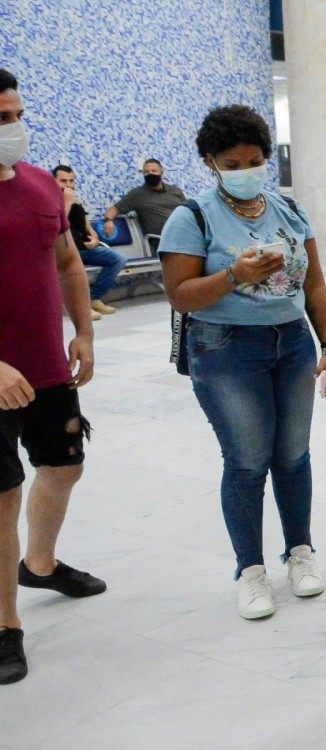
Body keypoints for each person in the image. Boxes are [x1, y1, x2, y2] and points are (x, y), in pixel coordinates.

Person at [158, 105, 326, 621]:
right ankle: (251, 570)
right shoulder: (191, 217)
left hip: (292, 343)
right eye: (233, 164)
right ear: (211, 163)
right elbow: (180, 294)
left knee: (294, 455)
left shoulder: (290, 210)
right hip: (226, 348)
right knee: (246, 460)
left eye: (255, 161)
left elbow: (315, 283)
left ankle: (300, 552)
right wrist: (234, 276)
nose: (246, 171)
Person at [0, 68, 104, 686]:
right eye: (1, 119)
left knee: (63, 468)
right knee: (2, 495)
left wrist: (84, 331)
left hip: (45, 368)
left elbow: (67, 263)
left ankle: (38, 564)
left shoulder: (40, 184)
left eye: (16, 116)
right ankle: (5, 624)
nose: (13, 128)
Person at [53, 165, 127, 319]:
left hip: (83, 248)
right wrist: (67, 203)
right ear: (54, 181)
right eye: (63, 181)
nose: (68, 185)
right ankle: (82, 306)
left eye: (71, 181)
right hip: (63, 251)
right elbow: (57, 226)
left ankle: (94, 298)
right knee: (74, 267)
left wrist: (95, 239)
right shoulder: (49, 201)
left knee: (118, 259)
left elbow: (89, 228)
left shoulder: (77, 201)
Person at [102, 157, 186, 247]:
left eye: (154, 171)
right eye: (146, 172)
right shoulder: (137, 194)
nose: (150, 174)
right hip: (163, 241)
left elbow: (188, 211)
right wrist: (108, 221)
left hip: (185, 235)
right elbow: (114, 209)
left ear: (162, 172)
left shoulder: (175, 191)